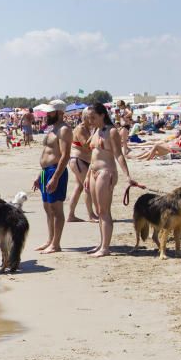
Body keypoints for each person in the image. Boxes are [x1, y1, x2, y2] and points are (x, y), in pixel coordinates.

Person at [85, 103, 136, 258]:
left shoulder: (112, 131)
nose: (90, 120)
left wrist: (127, 175)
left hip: (106, 172)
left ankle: (105, 247)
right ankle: (102, 243)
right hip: (93, 172)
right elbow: (93, 155)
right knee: (99, 211)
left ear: (102, 115)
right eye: (89, 118)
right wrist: (87, 176)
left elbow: (118, 154)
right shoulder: (95, 131)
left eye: (93, 117)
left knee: (104, 211)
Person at [33, 100, 72, 253]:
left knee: (56, 208)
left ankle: (56, 244)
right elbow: (47, 153)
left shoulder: (63, 130)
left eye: (50, 112)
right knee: (47, 208)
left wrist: (55, 177)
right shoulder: (52, 128)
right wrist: (39, 175)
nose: (47, 114)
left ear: (60, 112)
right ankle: (50, 240)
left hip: (56, 171)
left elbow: (65, 155)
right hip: (45, 172)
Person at [67, 108, 97, 223]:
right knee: (87, 187)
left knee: (79, 187)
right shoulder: (80, 128)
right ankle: (91, 215)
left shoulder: (88, 128)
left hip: (81, 160)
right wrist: (94, 133)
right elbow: (85, 146)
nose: (93, 119)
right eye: (91, 117)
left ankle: (70, 215)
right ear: (85, 117)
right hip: (78, 159)